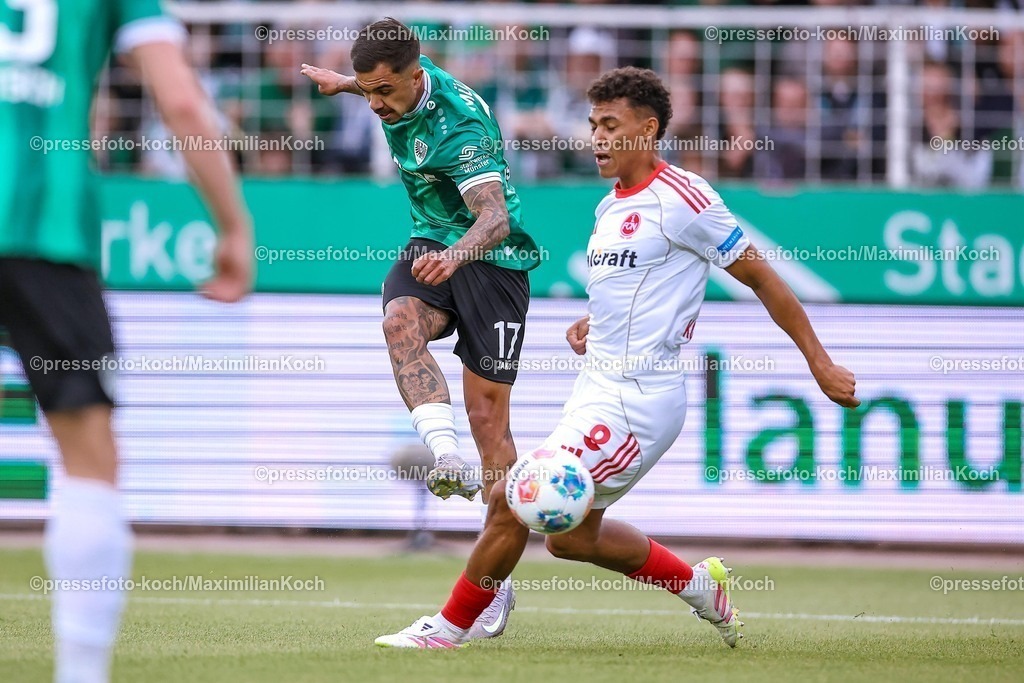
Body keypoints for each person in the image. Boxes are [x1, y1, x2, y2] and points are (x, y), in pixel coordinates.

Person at [374, 66, 859, 649]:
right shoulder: (609, 209)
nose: (597, 139)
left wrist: (819, 363)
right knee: (568, 539)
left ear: (648, 128)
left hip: (640, 400)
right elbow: (636, 291)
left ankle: (448, 629)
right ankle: (700, 587)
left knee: (515, 496)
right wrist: (592, 325)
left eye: (611, 125)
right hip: (595, 385)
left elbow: (763, 279)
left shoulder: (687, 199)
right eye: (592, 125)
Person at [0, 2, 254, 682]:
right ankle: (80, 675)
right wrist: (233, 225)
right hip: (43, 233)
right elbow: (181, 103)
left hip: (45, 226)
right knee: (88, 458)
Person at [300, 17, 539, 639]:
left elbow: (495, 220)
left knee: (491, 423)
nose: (376, 105)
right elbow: (381, 86)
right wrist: (343, 87)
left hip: (491, 265)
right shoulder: (395, 83)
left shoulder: (459, 125)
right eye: (366, 90)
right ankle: (444, 457)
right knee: (398, 320)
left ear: (416, 74)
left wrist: (457, 256)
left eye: (383, 92)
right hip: (430, 242)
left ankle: (494, 581)